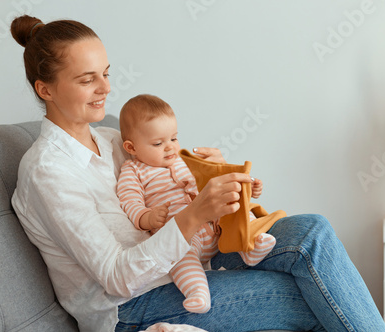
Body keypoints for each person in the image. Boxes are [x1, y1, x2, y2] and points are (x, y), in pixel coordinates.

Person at [10, 14, 385, 332]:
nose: (106, 88)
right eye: (86, 79)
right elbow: (117, 276)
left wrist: (214, 177)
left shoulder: (113, 139)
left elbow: (170, 178)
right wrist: (195, 215)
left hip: (191, 258)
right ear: (45, 89)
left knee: (312, 230)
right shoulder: (48, 172)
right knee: (313, 294)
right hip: (131, 306)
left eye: (106, 74)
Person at [116, 93, 276, 314]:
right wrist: (148, 217)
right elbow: (129, 202)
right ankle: (198, 292)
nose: (170, 147)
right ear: (131, 148)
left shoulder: (185, 160)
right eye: (158, 143)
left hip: (214, 224)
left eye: (173, 138)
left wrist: (248, 188)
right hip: (183, 236)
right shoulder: (133, 171)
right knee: (181, 259)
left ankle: (252, 246)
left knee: (236, 207)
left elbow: (215, 183)